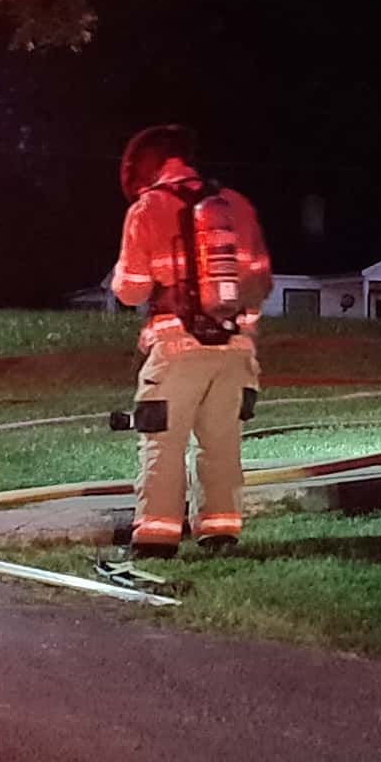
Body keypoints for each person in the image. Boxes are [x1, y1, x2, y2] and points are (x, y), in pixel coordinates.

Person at [109, 125, 271, 557]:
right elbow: (261, 280)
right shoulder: (236, 205)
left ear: (146, 168)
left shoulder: (147, 209)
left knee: (162, 440)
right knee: (221, 443)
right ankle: (220, 534)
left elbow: (131, 290)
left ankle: (155, 539)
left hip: (176, 350)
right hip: (236, 351)